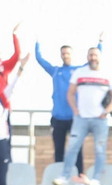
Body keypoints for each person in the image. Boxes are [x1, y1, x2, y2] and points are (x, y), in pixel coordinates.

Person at [36, 39, 97, 173]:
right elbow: (40, 59)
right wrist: (37, 42)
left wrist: (100, 42)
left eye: (68, 53)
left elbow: (93, 60)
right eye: (63, 53)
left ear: (71, 54)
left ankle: (79, 176)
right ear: (61, 55)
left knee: (76, 149)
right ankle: (59, 176)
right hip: (58, 118)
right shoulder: (55, 71)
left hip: (75, 118)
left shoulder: (78, 71)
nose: (65, 55)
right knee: (59, 150)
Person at [58, 47, 112, 184]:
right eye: (90, 55)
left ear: (100, 57)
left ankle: (96, 178)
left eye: (95, 55)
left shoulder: (107, 73)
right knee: (72, 147)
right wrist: (75, 110)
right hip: (81, 118)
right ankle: (65, 176)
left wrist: (106, 111)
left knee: (100, 149)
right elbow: (70, 93)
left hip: (100, 120)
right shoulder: (79, 72)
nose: (93, 58)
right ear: (87, 57)